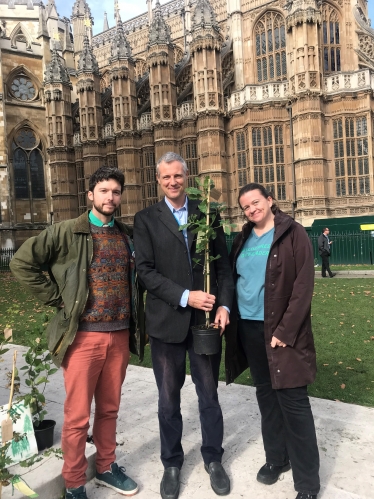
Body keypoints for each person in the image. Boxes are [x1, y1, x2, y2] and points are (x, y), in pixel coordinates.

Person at [10, 166, 143, 499]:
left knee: (110, 409)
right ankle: (73, 484)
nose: (110, 197)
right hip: (83, 337)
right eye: (103, 191)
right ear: (90, 195)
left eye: (115, 191)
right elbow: (22, 262)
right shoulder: (67, 231)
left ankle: (106, 468)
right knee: (77, 416)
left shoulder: (127, 234)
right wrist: (59, 299)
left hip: (120, 335)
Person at [133, 152, 234, 499]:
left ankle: (213, 459)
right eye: (166, 178)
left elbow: (223, 269)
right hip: (167, 323)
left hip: (205, 323)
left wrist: (223, 305)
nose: (173, 182)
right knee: (167, 399)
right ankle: (172, 463)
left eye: (178, 176)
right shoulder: (146, 219)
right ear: (158, 180)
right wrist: (185, 296)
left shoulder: (207, 213)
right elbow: (145, 272)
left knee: (209, 394)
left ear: (186, 177)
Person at [225, 183, 320, 499]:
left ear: (269, 200)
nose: (251, 209)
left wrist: (284, 331)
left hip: (281, 332)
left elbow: (303, 286)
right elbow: (235, 279)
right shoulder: (242, 238)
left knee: (293, 403)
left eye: (256, 202)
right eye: (245, 207)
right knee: (266, 398)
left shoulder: (293, 234)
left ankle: (307, 483)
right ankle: (277, 458)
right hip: (250, 330)